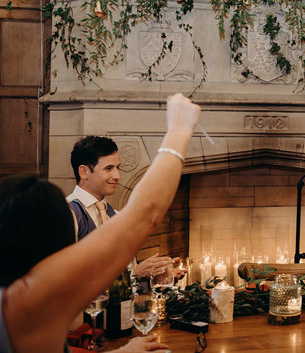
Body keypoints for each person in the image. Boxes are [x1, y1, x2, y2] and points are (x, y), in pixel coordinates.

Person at [0, 93, 200, 352]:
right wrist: (179, 131)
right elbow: (144, 213)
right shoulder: (26, 303)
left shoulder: (15, 301)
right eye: (109, 168)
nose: (116, 176)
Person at [67, 135, 180, 278]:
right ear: (84, 172)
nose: (117, 175)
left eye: (117, 167)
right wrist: (135, 274)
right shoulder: (67, 214)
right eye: (109, 168)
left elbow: (130, 273)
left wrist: (153, 276)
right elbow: (66, 278)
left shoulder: (115, 215)